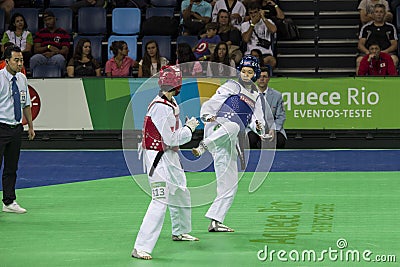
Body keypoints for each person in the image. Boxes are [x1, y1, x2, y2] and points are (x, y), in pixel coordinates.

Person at [132, 65, 200, 260]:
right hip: (157, 157)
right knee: (160, 200)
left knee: (180, 190)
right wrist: (189, 129)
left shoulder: (170, 102)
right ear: (177, 85)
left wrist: (184, 129)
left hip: (170, 155)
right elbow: (170, 138)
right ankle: (141, 247)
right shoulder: (161, 108)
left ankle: (180, 231)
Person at [192, 55, 265, 232]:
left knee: (230, 183)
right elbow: (213, 102)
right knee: (232, 125)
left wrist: (259, 128)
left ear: (255, 74)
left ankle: (216, 220)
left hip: (231, 139)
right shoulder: (232, 85)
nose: (246, 75)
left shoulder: (257, 95)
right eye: (243, 71)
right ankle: (204, 145)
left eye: (250, 72)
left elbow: (259, 121)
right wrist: (206, 116)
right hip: (218, 127)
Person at [0, 45, 35, 214]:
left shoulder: (22, 79)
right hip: (0, 127)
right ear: (7, 61)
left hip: (16, 128)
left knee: (11, 167)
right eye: (16, 60)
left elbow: (26, 103)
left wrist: (30, 126)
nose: (20, 63)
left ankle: (9, 202)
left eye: (21, 60)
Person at [248, 67, 286, 149]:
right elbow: (247, 117)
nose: (262, 79)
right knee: (250, 139)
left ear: (268, 79)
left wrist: (273, 129)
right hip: (254, 128)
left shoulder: (277, 96)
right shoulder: (248, 95)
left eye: (264, 77)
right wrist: (258, 130)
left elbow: (281, 116)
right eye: (259, 76)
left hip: (272, 129)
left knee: (280, 140)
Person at [357, 4, 398, 73]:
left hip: (385, 53)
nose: (379, 14)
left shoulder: (390, 27)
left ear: (384, 14)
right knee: (359, 60)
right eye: (376, 12)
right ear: (373, 14)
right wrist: (368, 52)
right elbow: (360, 44)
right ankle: (360, 83)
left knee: (394, 59)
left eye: (381, 12)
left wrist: (384, 52)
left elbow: (394, 45)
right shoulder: (366, 27)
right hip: (369, 52)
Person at [30, 10, 70, 75]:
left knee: (60, 59)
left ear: (54, 19)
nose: (48, 22)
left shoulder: (63, 33)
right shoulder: (40, 33)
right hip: (43, 56)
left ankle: (61, 79)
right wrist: (48, 47)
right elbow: (36, 49)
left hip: (56, 56)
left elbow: (65, 50)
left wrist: (54, 53)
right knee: (34, 59)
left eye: (49, 19)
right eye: (45, 20)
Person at [241, 2, 277, 69]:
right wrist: (252, 24)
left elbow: (273, 30)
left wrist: (263, 17)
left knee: (272, 61)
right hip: (251, 53)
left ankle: (257, 64)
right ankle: (258, 65)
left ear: (260, 12)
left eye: (255, 12)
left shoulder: (268, 21)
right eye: (251, 13)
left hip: (265, 53)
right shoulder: (245, 25)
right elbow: (246, 39)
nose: (253, 15)